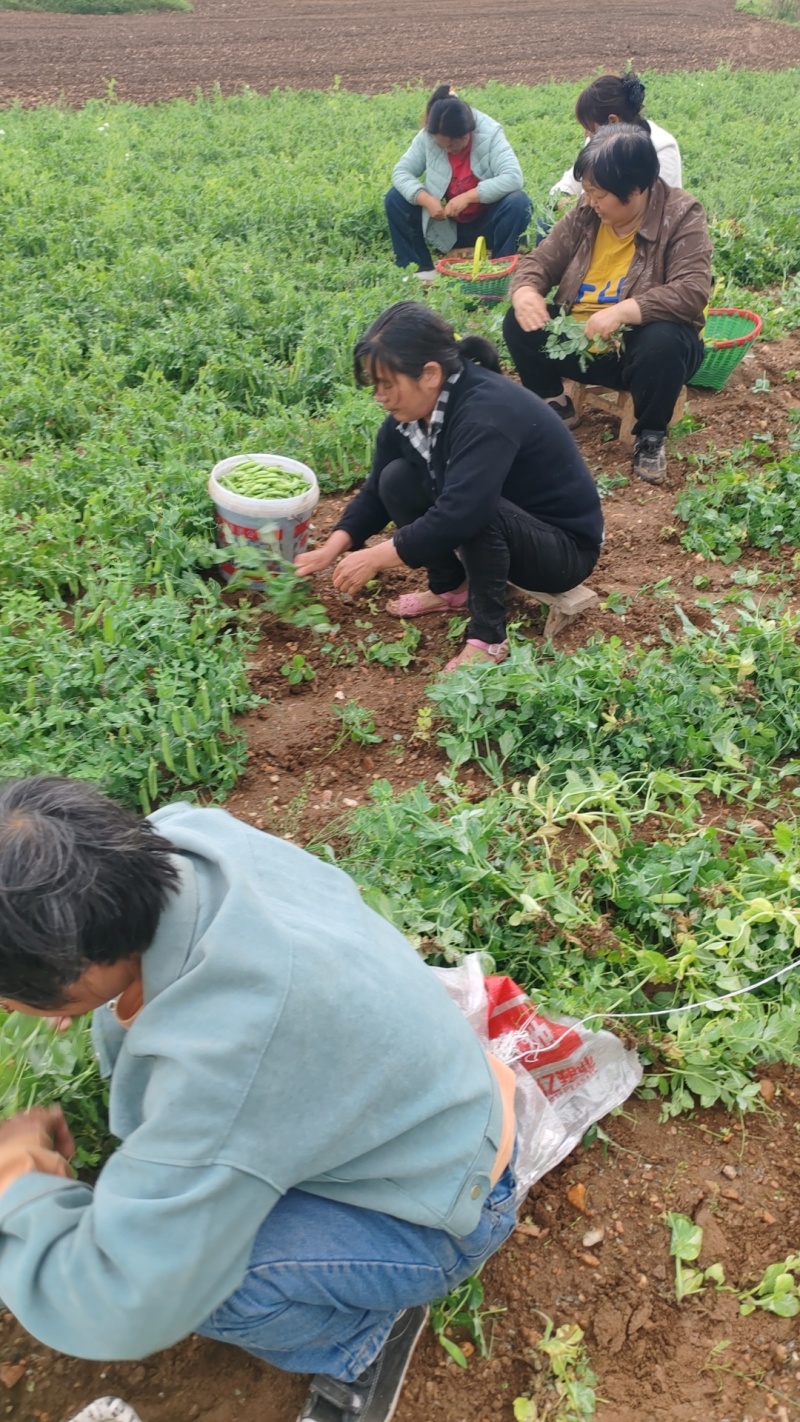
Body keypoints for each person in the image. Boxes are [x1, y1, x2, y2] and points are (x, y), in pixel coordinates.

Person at [0, 775, 519, 1422]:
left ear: (70, 969)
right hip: (445, 1099)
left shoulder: (224, 1056)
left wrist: (15, 1181)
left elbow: (125, 1300)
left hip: (449, 1204)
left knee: (205, 1287)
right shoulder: (187, 839)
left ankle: (363, 1343)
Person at [294, 302, 603, 671]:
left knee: (474, 511)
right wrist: (334, 546)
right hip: (509, 522)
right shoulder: (410, 416)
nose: (380, 395)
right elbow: (377, 489)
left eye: (388, 383)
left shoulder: (486, 410)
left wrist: (376, 557)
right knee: (397, 478)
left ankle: (488, 636)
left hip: (563, 551)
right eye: (375, 384)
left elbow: (465, 511)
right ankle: (451, 587)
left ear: (429, 374)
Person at [503, 124, 711, 486]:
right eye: (588, 192)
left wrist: (624, 311)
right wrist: (526, 291)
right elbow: (540, 262)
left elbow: (692, 290)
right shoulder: (586, 214)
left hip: (639, 352)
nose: (591, 201)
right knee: (519, 321)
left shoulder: (681, 215)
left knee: (662, 340)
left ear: (634, 190)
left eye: (599, 194)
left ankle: (649, 437)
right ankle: (555, 402)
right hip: (582, 340)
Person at [385, 85, 532, 281]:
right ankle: (421, 273)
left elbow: (514, 177)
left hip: (487, 224)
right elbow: (401, 171)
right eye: (441, 146)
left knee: (518, 202)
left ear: (466, 134)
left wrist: (468, 197)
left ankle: (500, 272)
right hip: (447, 225)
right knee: (395, 198)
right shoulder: (429, 136)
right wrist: (426, 200)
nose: (447, 150)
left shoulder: (489, 132)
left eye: (453, 145)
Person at [551, 72, 682, 205]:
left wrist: (582, 208)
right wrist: (560, 198)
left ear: (612, 121)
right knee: (546, 219)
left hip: (640, 223)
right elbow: (572, 181)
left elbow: (656, 207)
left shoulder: (662, 147)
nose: (586, 134)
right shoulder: (598, 141)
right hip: (593, 216)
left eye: (589, 127)